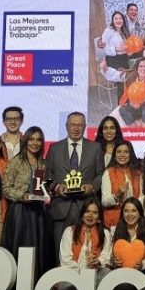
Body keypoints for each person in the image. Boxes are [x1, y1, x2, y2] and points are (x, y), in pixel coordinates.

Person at [46, 112, 105, 261]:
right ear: (66, 126)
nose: (76, 128)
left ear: (85, 127)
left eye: (80, 125)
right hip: (61, 209)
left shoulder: (95, 147)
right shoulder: (54, 148)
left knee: (87, 253)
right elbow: (48, 177)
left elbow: (101, 174)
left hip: (86, 208)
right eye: (73, 125)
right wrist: (57, 187)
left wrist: (92, 187)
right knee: (60, 253)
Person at [0, 126, 49, 279]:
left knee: (37, 249)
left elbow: (42, 187)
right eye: (32, 139)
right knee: (21, 248)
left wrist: (47, 192)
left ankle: (35, 285)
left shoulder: (43, 163)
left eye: (38, 140)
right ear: (25, 140)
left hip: (38, 213)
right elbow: (6, 189)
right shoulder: (16, 161)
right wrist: (22, 196)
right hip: (20, 212)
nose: (35, 143)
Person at [55, 200, 112, 290]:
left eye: (94, 213)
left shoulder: (105, 233)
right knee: (67, 288)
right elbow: (66, 260)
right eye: (87, 211)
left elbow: (106, 255)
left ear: (99, 218)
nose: (90, 215)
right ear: (82, 215)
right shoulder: (69, 231)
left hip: (96, 274)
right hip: (73, 274)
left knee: (107, 274)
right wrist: (84, 276)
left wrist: (98, 262)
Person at [108, 197, 145, 290]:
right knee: (119, 289)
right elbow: (108, 255)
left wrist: (142, 264)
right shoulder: (114, 230)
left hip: (143, 272)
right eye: (126, 211)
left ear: (140, 213)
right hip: (121, 271)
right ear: (122, 213)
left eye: (134, 211)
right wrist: (113, 261)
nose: (130, 215)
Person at [101, 141, 143, 228]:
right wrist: (117, 195)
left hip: (135, 219)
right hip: (114, 221)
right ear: (114, 154)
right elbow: (104, 201)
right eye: (119, 152)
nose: (122, 155)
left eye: (126, 152)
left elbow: (141, 197)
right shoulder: (108, 172)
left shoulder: (138, 173)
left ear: (130, 154)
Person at [114, 58, 145, 127]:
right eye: (141, 66)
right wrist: (131, 103)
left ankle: (144, 128)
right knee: (122, 109)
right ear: (137, 67)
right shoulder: (130, 78)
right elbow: (126, 95)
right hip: (133, 108)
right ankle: (133, 128)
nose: (143, 69)